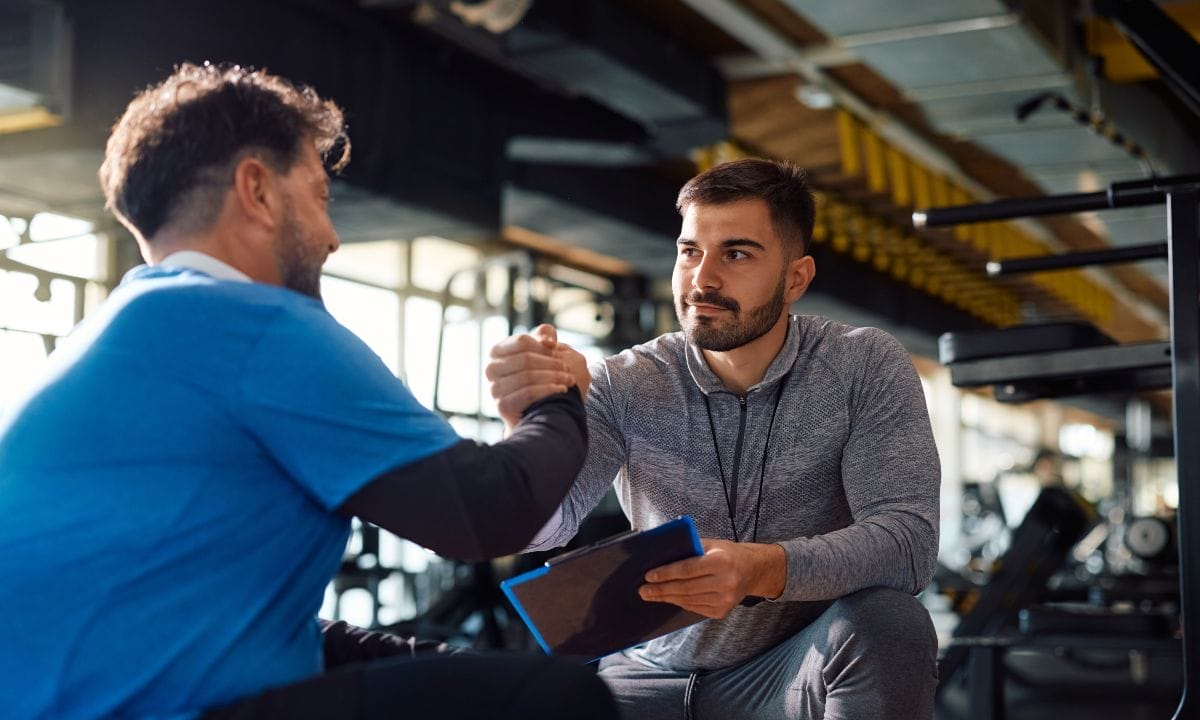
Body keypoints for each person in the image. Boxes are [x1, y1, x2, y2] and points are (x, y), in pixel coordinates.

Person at [0, 63, 617, 720]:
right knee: (558, 701)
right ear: (258, 192)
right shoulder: (250, 323)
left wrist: (429, 661)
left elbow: (233, 620)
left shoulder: (119, 337)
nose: (332, 237)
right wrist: (558, 396)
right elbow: (496, 508)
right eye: (321, 197)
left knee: (470, 678)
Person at [487, 158, 941, 719]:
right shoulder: (626, 381)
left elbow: (908, 545)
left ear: (795, 278)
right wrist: (532, 426)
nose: (702, 279)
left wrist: (759, 569)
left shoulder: (861, 365)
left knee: (890, 622)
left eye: (737, 254)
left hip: (786, 671)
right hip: (645, 671)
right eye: (690, 251)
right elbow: (542, 528)